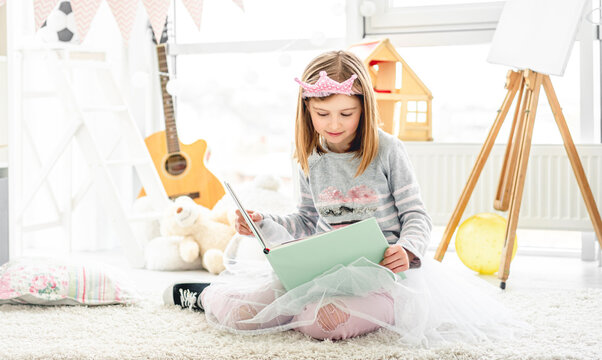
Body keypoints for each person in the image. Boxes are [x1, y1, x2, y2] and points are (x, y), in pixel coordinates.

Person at [164, 50, 524, 346]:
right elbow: (305, 221)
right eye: (322, 114)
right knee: (244, 316)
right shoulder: (308, 156)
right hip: (324, 270)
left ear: (364, 109)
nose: (334, 124)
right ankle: (203, 295)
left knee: (322, 323)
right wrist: (264, 224)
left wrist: (408, 249)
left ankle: (322, 310)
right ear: (307, 110)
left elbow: (416, 215)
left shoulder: (388, 150)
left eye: (346, 114)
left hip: (385, 276)